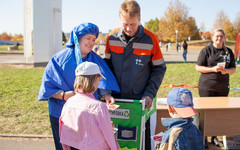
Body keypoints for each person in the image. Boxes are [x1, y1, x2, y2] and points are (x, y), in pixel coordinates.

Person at [38, 23, 120, 150]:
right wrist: (64, 95)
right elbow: (47, 86)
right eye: (88, 38)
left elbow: (103, 80)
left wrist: (106, 95)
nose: (91, 43)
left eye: (94, 39)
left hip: (86, 117)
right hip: (61, 113)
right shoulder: (59, 59)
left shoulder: (96, 59)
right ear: (77, 38)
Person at [104, 1, 166, 149]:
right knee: (117, 142)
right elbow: (105, 69)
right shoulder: (111, 38)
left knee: (143, 142)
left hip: (142, 103)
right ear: (120, 19)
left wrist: (149, 94)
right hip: (116, 102)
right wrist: (105, 93)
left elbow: (159, 69)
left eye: (132, 24)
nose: (128, 28)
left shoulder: (151, 39)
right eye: (125, 24)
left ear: (139, 18)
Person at [59, 62, 120, 150]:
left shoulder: (69, 102)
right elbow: (108, 135)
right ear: (94, 80)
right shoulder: (99, 107)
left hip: (73, 146)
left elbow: (63, 129)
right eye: (98, 80)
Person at [196, 29, 236, 148]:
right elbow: (198, 67)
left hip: (223, 87)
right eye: (217, 36)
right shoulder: (206, 50)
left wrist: (226, 71)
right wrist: (212, 69)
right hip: (206, 87)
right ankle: (204, 139)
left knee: (217, 114)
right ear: (213, 38)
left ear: (224, 38)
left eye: (221, 36)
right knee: (205, 113)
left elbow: (233, 69)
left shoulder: (228, 51)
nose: (219, 38)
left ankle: (214, 138)